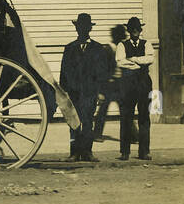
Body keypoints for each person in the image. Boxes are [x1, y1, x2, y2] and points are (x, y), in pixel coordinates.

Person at [58, 13, 111, 162]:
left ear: (89, 29)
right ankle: (74, 153)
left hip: (90, 92)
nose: (82, 30)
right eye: (80, 27)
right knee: (74, 122)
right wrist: (64, 93)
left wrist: (101, 92)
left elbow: (102, 73)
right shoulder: (69, 48)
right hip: (74, 92)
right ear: (76, 29)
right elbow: (64, 72)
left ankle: (87, 152)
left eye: (85, 27)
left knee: (88, 121)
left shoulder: (98, 48)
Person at [116, 16, 155, 160]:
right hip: (128, 84)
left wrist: (133, 60)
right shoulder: (122, 45)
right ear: (128, 30)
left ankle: (144, 151)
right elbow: (120, 62)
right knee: (126, 116)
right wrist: (139, 63)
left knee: (144, 116)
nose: (135, 31)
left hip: (144, 83)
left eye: (137, 28)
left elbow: (150, 59)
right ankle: (125, 152)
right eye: (132, 28)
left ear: (140, 29)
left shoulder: (147, 44)